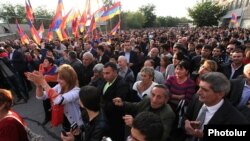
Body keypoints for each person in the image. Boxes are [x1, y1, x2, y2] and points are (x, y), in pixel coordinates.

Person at [184, 72, 249, 141]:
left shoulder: (236, 119)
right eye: (199, 87)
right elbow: (186, 116)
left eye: (205, 90)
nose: (198, 92)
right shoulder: (197, 98)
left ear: (220, 94)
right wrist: (187, 123)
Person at [26, 64, 83, 132]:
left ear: (69, 79)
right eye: (58, 77)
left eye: (61, 78)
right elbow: (41, 97)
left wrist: (43, 82)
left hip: (75, 123)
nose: (58, 80)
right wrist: (39, 85)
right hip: (64, 120)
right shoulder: (59, 86)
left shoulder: (76, 91)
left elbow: (59, 100)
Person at [101, 62, 130, 141]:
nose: (105, 76)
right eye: (103, 73)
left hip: (115, 121)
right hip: (106, 119)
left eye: (107, 73)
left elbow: (116, 104)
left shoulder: (122, 84)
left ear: (115, 72)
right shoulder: (106, 81)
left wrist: (101, 106)